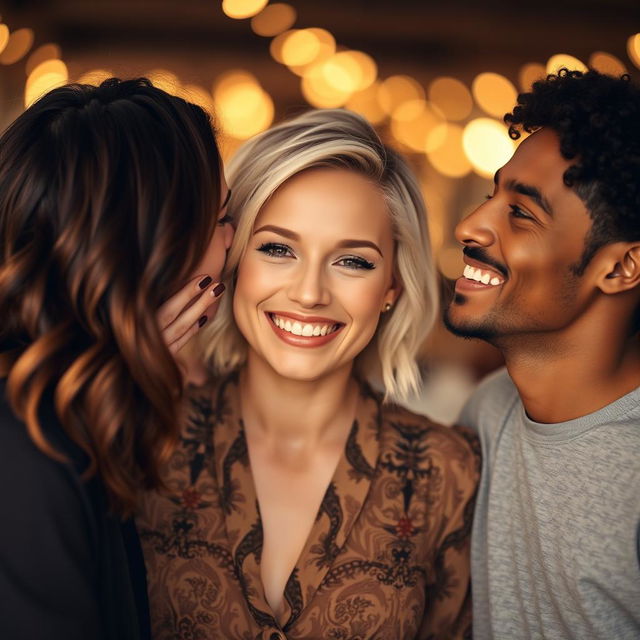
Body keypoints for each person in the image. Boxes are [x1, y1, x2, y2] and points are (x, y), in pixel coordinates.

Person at [137, 109, 480, 640]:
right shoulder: (141, 437)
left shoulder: (448, 474)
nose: (309, 292)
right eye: (277, 249)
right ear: (232, 258)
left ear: (392, 285)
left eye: (354, 261)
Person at [0, 78, 234, 640]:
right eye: (222, 219)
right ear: (155, 245)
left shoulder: (68, 414)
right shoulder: (31, 448)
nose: (234, 243)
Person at [444, 69, 640, 639]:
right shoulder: (487, 412)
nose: (468, 225)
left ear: (622, 267)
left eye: (522, 213)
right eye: (491, 195)